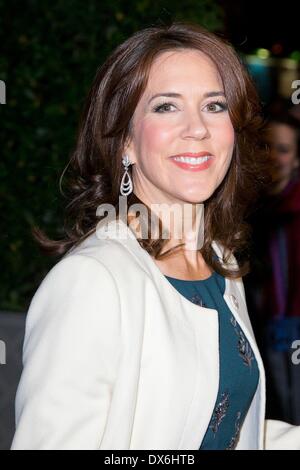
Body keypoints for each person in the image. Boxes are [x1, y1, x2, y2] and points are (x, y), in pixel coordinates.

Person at [11, 22, 300, 450]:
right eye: (166, 107)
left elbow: (225, 427)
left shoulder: (220, 264)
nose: (197, 128)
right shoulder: (93, 281)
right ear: (125, 141)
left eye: (214, 106)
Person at [244, 107, 300, 425]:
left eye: (283, 149)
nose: (273, 157)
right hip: (259, 333)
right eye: (266, 147)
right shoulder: (249, 207)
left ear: (296, 160)